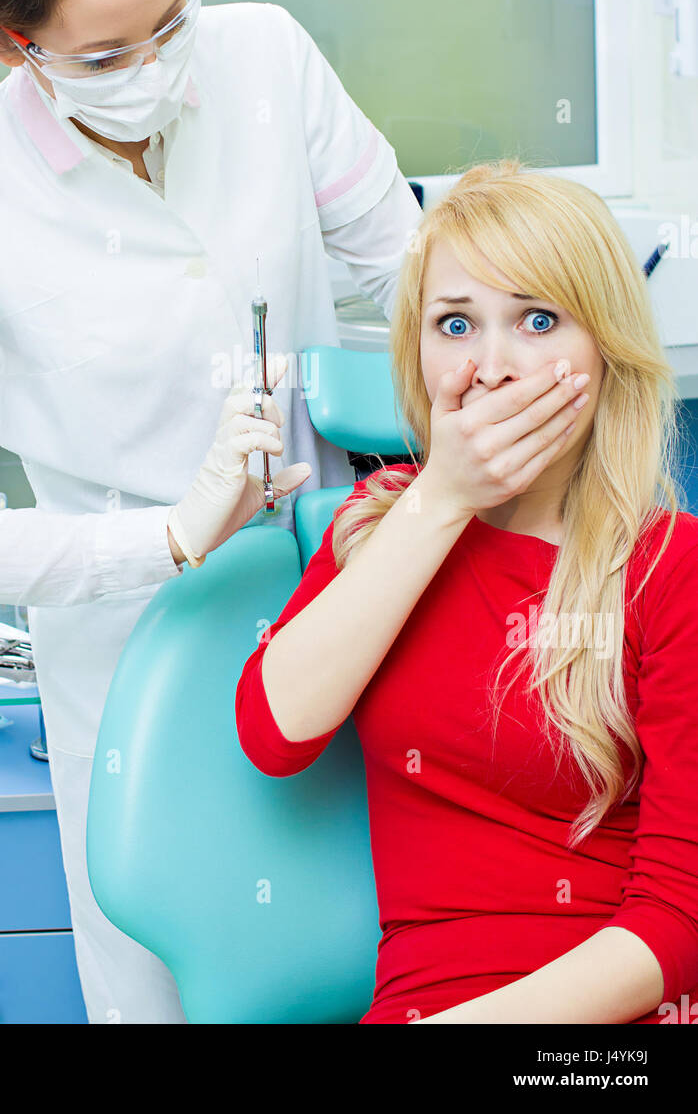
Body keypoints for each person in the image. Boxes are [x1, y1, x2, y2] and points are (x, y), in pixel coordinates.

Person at [0, 0, 422, 1024]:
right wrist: (169, 535)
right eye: (109, 52)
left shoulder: (266, 58)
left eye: (173, 20)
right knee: (167, 996)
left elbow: (418, 279)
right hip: (133, 662)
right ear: (5, 43)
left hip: (339, 612)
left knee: (380, 970)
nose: (161, 65)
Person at [236, 159, 698, 1024]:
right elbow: (276, 733)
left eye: (536, 319)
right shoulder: (379, 525)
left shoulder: (673, 568)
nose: (490, 367)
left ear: (605, 346)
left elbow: (679, 922)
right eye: (455, 324)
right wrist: (442, 499)